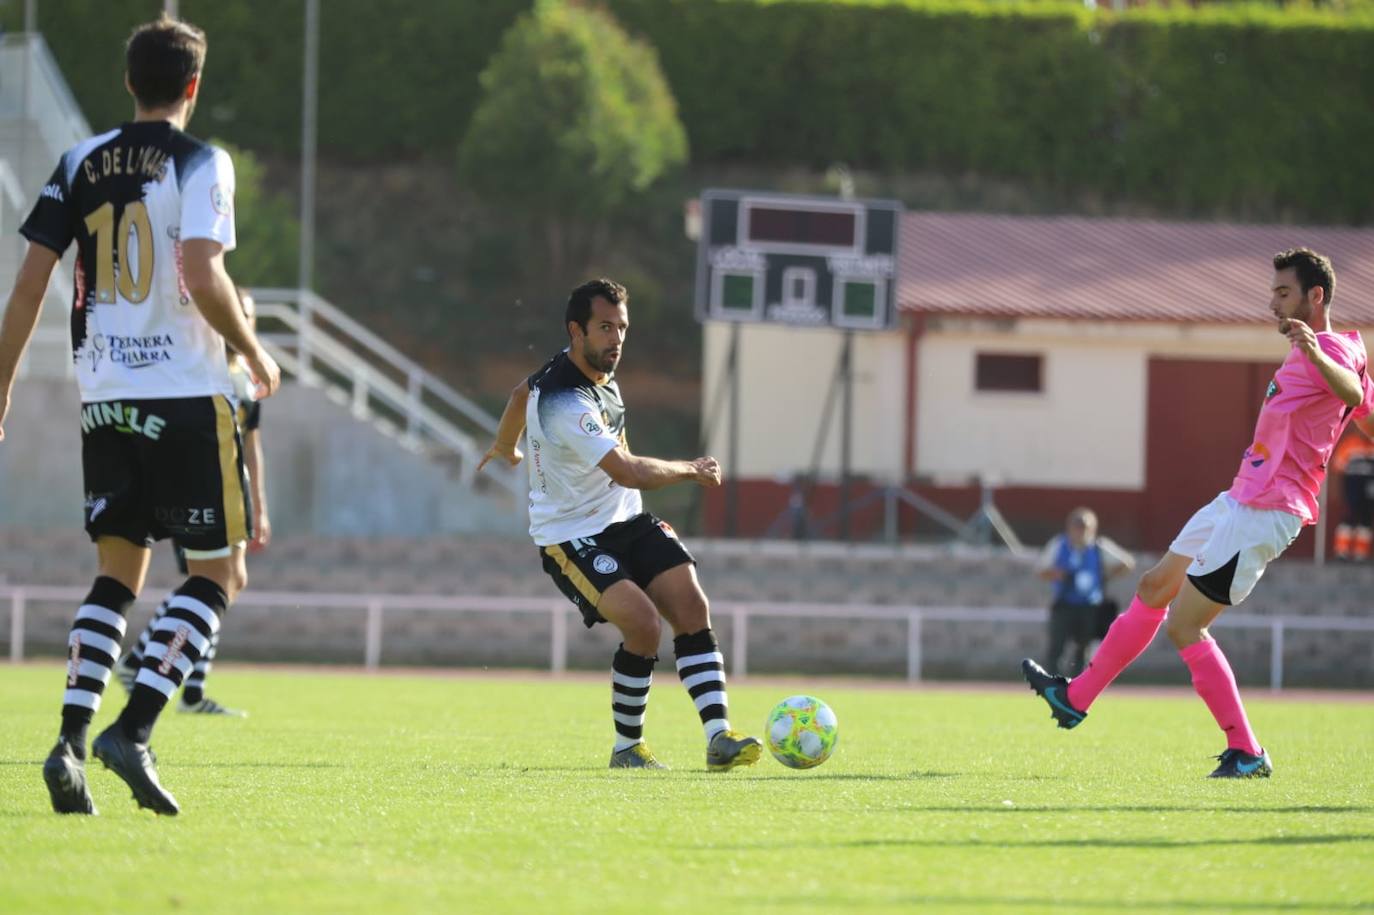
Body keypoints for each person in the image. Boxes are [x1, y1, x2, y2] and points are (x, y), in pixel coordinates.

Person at [0, 15, 281, 815]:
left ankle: (68, 741)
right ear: (193, 86)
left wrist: (2, 385)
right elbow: (200, 269)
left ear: (129, 82)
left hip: (105, 400)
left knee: (116, 576)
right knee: (217, 572)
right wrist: (254, 350)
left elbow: (27, 287)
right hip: (187, 394)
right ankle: (135, 728)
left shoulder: (77, 162)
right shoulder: (201, 160)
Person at [1022, 247, 1374, 779]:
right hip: (1238, 497)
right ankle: (1075, 696)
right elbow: (1365, 414)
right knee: (1153, 587)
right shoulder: (1346, 347)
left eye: (1283, 293)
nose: (1273, 302)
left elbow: (1347, 389)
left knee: (1186, 627)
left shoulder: (1329, 349)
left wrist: (1316, 353)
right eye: (1273, 292)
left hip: (1267, 509)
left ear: (1315, 296)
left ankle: (1248, 751)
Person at [479, 278, 762, 771]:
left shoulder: (584, 372)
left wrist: (506, 445)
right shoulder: (568, 401)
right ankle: (627, 748)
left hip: (626, 519)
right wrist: (691, 470)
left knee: (693, 606)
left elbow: (519, 391)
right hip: (571, 537)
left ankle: (720, 739)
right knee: (643, 624)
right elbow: (628, 471)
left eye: (622, 328)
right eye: (605, 327)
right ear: (576, 331)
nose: (616, 339)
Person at [115, 288, 271, 716]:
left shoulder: (246, 380)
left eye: (250, 314)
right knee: (215, 582)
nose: (244, 320)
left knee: (226, 583)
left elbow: (252, 447)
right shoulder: (199, 369)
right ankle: (183, 688)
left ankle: (151, 666)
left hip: (231, 490)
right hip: (199, 482)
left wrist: (260, 503)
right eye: (237, 312)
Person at [1035, 507, 1135, 677]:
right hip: (1064, 604)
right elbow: (1041, 570)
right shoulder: (1059, 544)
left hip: (1090, 606)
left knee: (1083, 649)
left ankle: (1077, 685)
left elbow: (1127, 563)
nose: (1080, 531)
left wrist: (1105, 574)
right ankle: (1052, 681)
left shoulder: (1099, 547)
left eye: (1084, 527)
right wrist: (1057, 573)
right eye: (1077, 526)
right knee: (1056, 646)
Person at [1331, 428, 1374, 561]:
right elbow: (1338, 466)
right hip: (1352, 488)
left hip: (1370, 490)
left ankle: (1360, 553)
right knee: (1349, 517)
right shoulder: (1350, 444)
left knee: (1366, 520)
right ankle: (1341, 552)